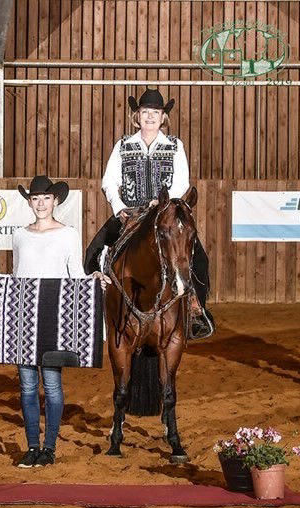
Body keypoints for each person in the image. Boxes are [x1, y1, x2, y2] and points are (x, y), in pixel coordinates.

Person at [84, 88, 213, 339]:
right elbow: (109, 181)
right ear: (137, 115)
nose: (150, 117)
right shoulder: (123, 145)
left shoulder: (175, 145)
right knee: (94, 253)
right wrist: (119, 207)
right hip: (130, 213)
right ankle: (99, 311)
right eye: (145, 112)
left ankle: (196, 309)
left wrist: (163, 204)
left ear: (163, 117)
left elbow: (182, 181)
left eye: (155, 112)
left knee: (198, 258)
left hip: (163, 213)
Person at [11, 176, 106, 468]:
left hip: (53, 318)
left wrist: (93, 281)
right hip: (24, 318)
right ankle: (32, 446)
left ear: (55, 201)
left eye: (46, 198)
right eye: (35, 198)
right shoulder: (19, 235)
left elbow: (75, 274)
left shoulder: (68, 234)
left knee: (51, 384)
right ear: (30, 201)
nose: (41, 203)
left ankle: (49, 447)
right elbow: (16, 277)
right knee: (27, 386)